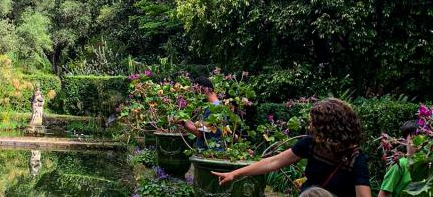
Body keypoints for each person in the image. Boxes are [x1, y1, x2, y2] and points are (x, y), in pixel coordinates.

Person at [211, 98, 372, 197]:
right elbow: (272, 162)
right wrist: (234, 174)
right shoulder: (311, 143)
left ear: (327, 126)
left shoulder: (355, 158)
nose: (310, 126)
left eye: (313, 122)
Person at [378, 120, 419, 197]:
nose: (418, 142)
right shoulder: (399, 165)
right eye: (413, 138)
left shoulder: (428, 165)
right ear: (405, 141)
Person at [179, 76, 222, 149]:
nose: (197, 95)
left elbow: (200, 133)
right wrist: (183, 119)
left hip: (210, 152)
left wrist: (183, 122)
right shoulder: (215, 105)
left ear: (205, 89)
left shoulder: (214, 108)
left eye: (197, 90)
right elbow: (201, 127)